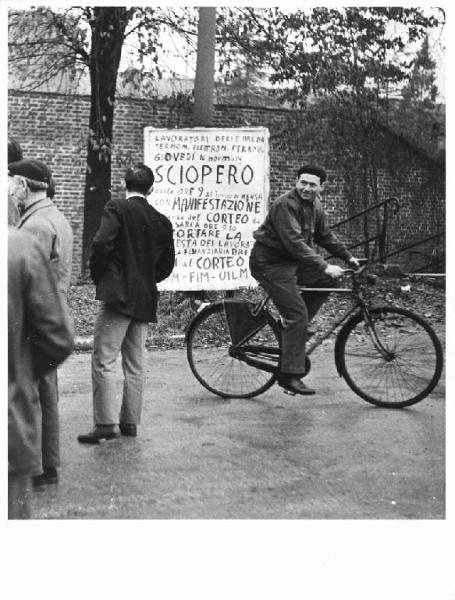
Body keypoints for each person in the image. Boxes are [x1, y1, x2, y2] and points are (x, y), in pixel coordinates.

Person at [78, 163, 175, 444]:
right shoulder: (162, 220)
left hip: (117, 297)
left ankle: (106, 423)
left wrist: (102, 277)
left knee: (104, 359)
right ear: (151, 188)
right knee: (135, 363)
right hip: (144, 298)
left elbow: (101, 244)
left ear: (124, 184)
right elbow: (167, 264)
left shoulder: (116, 207)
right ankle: (130, 422)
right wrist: (146, 279)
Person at [249, 165, 360, 395]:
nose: (307, 188)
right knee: (297, 314)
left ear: (321, 187)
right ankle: (289, 376)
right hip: (271, 264)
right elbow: (294, 242)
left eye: (313, 184)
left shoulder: (315, 205)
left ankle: (293, 329)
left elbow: (324, 235)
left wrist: (347, 257)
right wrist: (325, 265)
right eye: (303, 183)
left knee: (327, 281)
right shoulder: (284, 205)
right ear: (296, 181)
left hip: (292, 263)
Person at [9, 158, 73, 487]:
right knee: (47, 393)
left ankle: (35, 466)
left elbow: (27, 279)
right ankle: (48, 462)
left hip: (36, 317)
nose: (10, 189)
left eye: (12, 182)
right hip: (53, 312)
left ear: (24, 185)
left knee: (31, 392)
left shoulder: (33, 225)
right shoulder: (55, 216)